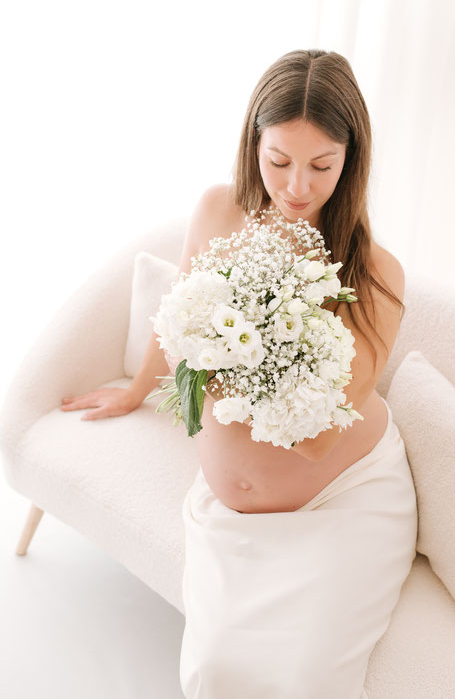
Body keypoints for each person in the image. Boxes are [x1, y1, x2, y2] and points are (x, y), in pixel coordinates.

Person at [61, 49, 418, 698]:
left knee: (310, 677)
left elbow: (315, 435)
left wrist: (246, 330)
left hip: (344, 498)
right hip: (237, 513)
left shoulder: (372, 275)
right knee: (215, 671)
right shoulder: (221, 211)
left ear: (352, 162)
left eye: (321, 166)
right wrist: (138, 389)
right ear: (252, 142)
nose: (297, 187)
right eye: (278, 160)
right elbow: (181, 318)